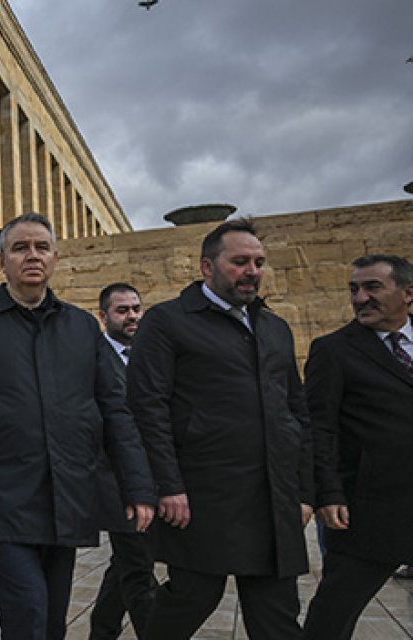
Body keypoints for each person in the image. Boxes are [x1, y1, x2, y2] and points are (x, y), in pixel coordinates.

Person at [0, 213, 154, 640]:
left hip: (67, 492)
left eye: (41, 247)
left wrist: (138, 485)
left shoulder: (81, 326)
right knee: (26, 612)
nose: (32, 256)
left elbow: (114, 409)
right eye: (20, 248)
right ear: (1, 261)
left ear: (54, 258)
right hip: (2, 493)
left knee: (51, 620)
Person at [128, 219, 313, 639]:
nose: (252, 271)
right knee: (191, 599)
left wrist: (305, 490)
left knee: (277, 616)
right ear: (207, 267)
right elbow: (147, 408)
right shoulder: (167, 321)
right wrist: (167, 485)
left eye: (259, 262)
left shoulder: (274, 328)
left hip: (272, 498)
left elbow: (296, 411)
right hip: (204, 495)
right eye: (240, 262)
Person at [302, 254, 413, 639]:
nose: (360, 298)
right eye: (354, 289)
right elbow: (318, 428)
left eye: (372, 287)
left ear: (408, 293)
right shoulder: (333, 351)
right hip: (369, 511)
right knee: (334, 614)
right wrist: (327, 492)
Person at [87, 283, 158, 640]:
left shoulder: (150, 355)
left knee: (127, 564)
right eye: (122, 310)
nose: (132, 316)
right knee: (139, 570)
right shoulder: (93, 359)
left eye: (136, 308)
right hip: (116, 481)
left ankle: (102, 630)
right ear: (104, 316)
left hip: (153, 475)